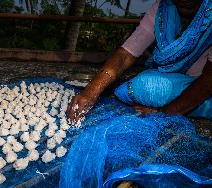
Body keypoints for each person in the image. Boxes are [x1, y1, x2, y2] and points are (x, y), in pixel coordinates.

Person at [67, 0, 212, 123]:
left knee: (147, 86)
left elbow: (208, 80)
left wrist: (163, 113)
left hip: (205, 85)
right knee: (140, 86)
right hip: (180, 82)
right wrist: (91, 91)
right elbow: (126, 53)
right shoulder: (163, 8)